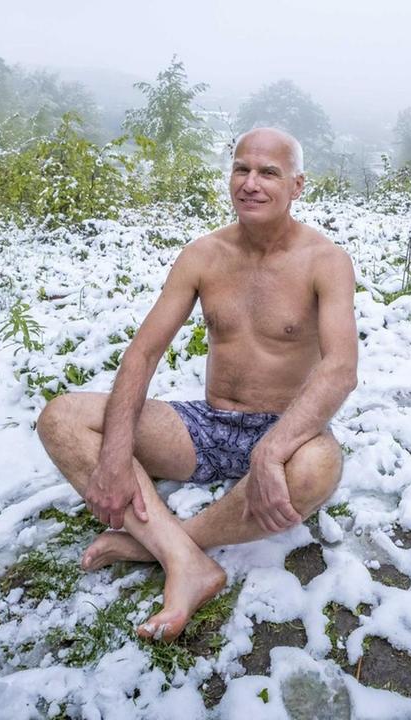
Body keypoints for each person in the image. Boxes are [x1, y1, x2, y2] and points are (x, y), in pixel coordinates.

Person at [37, 127, 358, 641]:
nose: (250, 183)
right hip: (206, 427)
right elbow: (143, 353)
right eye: (241, 169)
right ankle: (186, 561)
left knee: (321, 468)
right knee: (62, 417)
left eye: (268, 173)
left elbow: (341, 368)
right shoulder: (203, 255)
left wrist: (273, 450)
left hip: (286, 430)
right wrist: (115, 456)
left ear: (297, 186)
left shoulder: (325, 261)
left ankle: (159, 547)